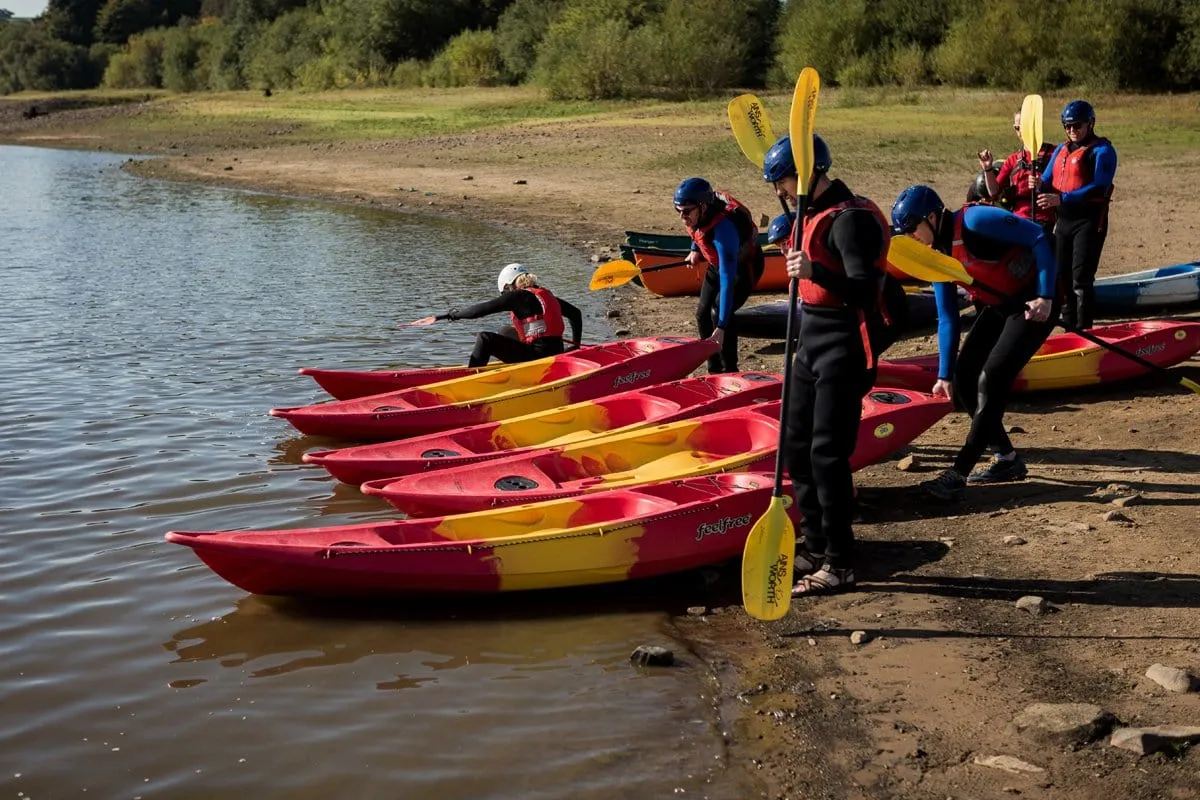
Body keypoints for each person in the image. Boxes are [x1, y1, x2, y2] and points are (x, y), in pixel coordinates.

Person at [761, 133, 895, 597]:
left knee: (826, 455)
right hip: (811, 341)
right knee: (795, 448)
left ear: (812, 172)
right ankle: (815, 545)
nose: (780, 190)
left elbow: (865, 289)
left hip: (845, 342)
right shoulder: (809, 214)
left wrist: (815, 272)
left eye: (784, 180)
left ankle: (839, 562)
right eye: (777, 183)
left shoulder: (850, 221)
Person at [890, 185, 1059, 501]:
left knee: (992, 377)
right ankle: (1006, 459)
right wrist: (943, 374)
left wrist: (1046, 296)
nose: (911, 236)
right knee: (964, 380)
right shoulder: (936, 257)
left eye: (912, 228)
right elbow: (947, 318)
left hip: (1035, 302)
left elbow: (1040, 236)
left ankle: (958, 473)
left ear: (930, 217)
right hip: (1003, 305)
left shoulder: (976, 220)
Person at [1034, 100, 1117, 331]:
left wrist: (1061, 198)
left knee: (1081, 279)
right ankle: (1070, 327)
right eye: (1067, 126)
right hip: (1064, 222)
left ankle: (1085, 330)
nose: (1072, 130)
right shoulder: (1061, 150)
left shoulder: (1103, 151)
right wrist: (1038, 183)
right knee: (1062, 276)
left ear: (1090, 124)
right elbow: (1048, 179)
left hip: (1088, 222)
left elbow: (1100, 186)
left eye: (1077, 125)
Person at [674, 177, 765, 373]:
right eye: (678, 210)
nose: (682, 216)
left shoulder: (724, 231)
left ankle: (731, 370)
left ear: (703, 207)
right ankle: (713, 369)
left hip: (743, 268)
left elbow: (727, 280)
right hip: (717, 265)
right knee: (702, 313)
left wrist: (722, 327)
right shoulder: (696, 215)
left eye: (686, 211)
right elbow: (696, 232)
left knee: (718, 313)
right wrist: (695, 249)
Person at [444, 263, 583, 367]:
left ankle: (471, 380)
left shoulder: (517, 296)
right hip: (555, 350)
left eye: (505, 293)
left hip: (537, 357)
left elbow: (479, 310)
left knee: (485, 338)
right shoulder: (545, 295)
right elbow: (576, 314)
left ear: (507, 286)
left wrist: (456, 315)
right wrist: (576, 345)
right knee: (505, 330)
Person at [977, 109, 1056, 230]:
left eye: (1022, 127)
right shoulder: (1013, 160)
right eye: (1016, 128)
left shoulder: (1055, 154)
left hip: (1044, 219)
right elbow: (994, 192)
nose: (1019, 131)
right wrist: (988, 169)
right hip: (1017, 220)